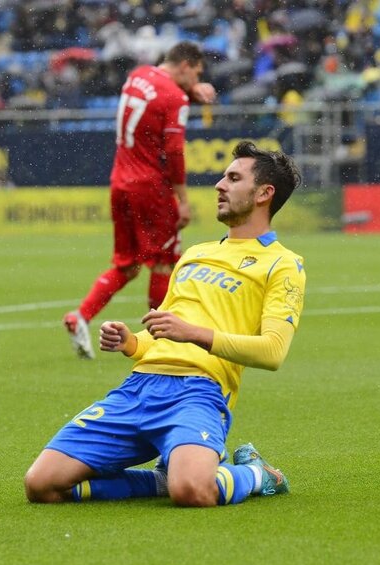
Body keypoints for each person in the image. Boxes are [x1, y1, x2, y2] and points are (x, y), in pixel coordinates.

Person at [25, 141, 305, 508]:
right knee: (42, 485)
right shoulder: (196, 253)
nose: (220, 185)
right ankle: (163, 480)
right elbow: (161, 333)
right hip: (139, 388)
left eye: (233, 178)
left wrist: (194, 335)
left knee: (192, 492)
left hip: (198, 392)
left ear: (264, 194)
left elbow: (272, 351)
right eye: (223, 176)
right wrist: (131, 342)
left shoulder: (282, 264)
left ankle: (256, 473)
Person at [63, 41, 217, 358]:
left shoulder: (139, 75)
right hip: (150, 188)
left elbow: (153, 106)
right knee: (164, 262)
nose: (197, 78)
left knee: (128, 264)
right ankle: (158, 342)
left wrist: (190, 93)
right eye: (197, 72)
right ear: (186, 65)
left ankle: (80, 316)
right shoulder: (175, 98)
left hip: (120, 181)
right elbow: (174, 151)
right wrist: (183, 199)